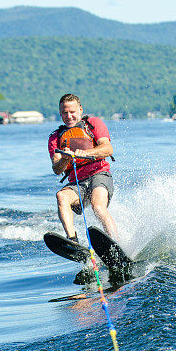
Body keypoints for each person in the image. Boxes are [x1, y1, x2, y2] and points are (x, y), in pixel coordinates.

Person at [48, 93, 118, 242]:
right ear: (60, 113)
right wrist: (65, 160)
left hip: (99, 174)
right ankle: (73, 240)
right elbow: (57, 169)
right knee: (61, 196)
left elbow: (108, 149)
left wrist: (85, 153)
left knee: (98, 207)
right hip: (77, 183)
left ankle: (116, 243)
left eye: (72, 112)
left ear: (80, 109)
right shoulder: (55, 137)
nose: (69, 116)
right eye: (65, 113)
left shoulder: (93, 124)